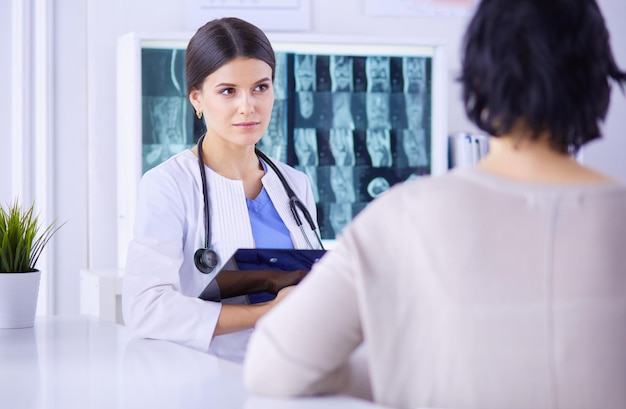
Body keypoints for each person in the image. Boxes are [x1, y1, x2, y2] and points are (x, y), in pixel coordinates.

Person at [244, 1, 626, 408]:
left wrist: (414, 374)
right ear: (598, 81)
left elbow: (275, 368)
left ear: (477, 82)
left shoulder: (402, 215)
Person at [122, 17, 323, 364]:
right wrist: (267, 311)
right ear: (197, 99)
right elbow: (146, 308)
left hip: (295, 368)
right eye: (228, 91)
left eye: (261, 87)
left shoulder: (294, 184)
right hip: (209, 379)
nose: (248, 106)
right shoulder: (168, 185)